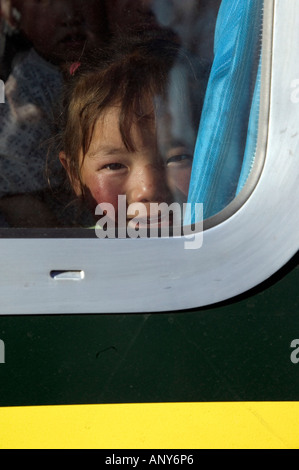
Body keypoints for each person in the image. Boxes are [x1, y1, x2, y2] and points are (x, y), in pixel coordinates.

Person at [58, 32, 203, 231]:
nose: (149, 189)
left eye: (178, 158)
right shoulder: (77, 257)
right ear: (75, 175)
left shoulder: (238, 246)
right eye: (114, 166)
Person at [0, 0, 109, 227]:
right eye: (45, 2)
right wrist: (64, 253)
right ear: (13, 17)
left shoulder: (115, 69)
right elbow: (17, 200)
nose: (70, 15)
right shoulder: (25, 94)